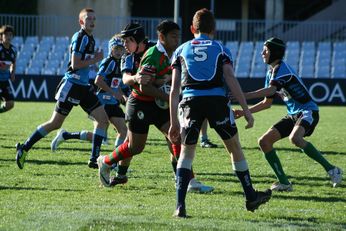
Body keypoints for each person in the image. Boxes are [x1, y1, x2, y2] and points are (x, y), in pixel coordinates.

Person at [168, 8, 272, 218]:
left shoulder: (180, 50)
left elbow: (174, 89)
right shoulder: (221, 49)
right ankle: (251, 195)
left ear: (192, 29)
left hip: (190, 101)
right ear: (213, 29)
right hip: (217, 101)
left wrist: (173, 123)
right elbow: (230, 78)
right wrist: (246, 110)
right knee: (234, 148)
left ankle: (180, 206)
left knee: (187, 154)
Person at [97, 21, 213, 193]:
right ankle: (105, 162)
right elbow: (127, 79)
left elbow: (159, 77)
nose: (124, 45)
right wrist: (138, 78)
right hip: (140, 104)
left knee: (175, 137)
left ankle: (187, 181)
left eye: (126, 41)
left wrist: (163, 80)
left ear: (136, 40)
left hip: (158, 104)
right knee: (135, 147)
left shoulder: (160, 50)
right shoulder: (138, 55)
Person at [233, 37, 343, 191]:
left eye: (266, 50)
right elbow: (267, 102)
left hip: (308, 111)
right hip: (293, 115)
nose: (262, 53)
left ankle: (333, 170)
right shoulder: (271, 72)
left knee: (295, 138)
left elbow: (271, 91)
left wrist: (244, 95)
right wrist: (244, 111)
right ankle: (284, 183)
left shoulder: (281, 68)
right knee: (264, 142)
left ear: (275, 52)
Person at [16, 8, 108, 169]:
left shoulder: (90, 38)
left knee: (103, 120)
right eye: (88, 19)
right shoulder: (81, 37)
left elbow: (83, 64)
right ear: (81, 22)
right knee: (55, 123)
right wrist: (95, 59)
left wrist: (94, 65)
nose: (92, 21)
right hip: (72, 85)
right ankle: (24, 148)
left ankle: (94, 159)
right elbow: (75, 64)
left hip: (83, 86)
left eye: (94, 18)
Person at [0, 25, 16, 113]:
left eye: (10, 35)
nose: (8, 37)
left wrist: (12, 72)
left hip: (5, 80)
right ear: (1, 36)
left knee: (10, 104)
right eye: (6, 35)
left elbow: (14, 62)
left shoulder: (13, 49)